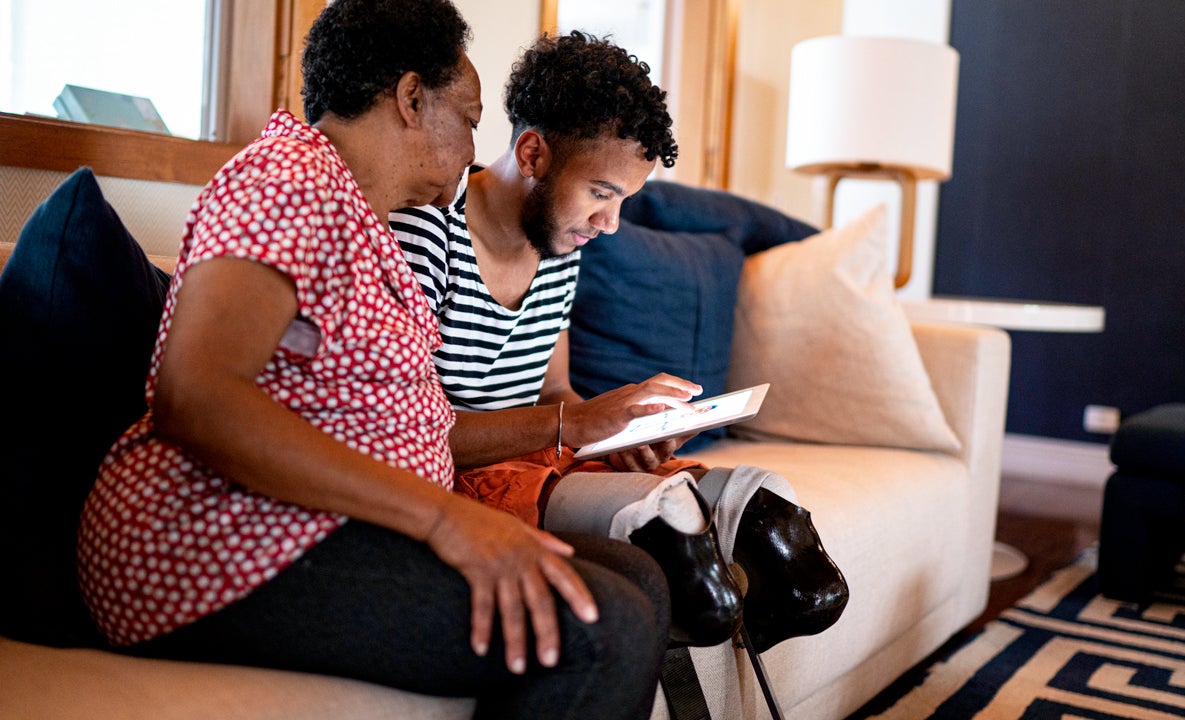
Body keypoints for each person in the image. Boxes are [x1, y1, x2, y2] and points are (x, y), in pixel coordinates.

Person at [75, 3, 669, 718]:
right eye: (471, 119)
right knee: (603, 630)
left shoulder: (365, 221)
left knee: (639, 575)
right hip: (221, 538)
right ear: (412, 100)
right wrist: (445, 519)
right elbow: (196, 399)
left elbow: (414, 421)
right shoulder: (290, 182)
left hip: (323, 521)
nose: (476, 147)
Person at [391, 31, 849, 653]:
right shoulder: (425, 232)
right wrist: (575, 424)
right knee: (686, 558)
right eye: (601, 194)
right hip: (457, 478)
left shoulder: (559, 249)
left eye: (622, 201)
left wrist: (622, 433)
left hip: (542, 460)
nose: (608, 225)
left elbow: (553, 389)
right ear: (532, 155)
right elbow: (409, 435)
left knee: (782, 540)